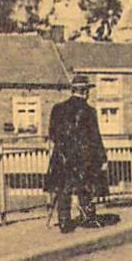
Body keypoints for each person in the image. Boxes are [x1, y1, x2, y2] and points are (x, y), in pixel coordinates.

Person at [45, 73, 109, 233]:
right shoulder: (89, 111)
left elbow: (52, 134)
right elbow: (95, 137)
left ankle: (64, 222)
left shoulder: (58, 109)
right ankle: (88, 218)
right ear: (85, 92)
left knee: (63, 189)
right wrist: (102, 157)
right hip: (83, 157)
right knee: (85, 188)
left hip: (62, 156)